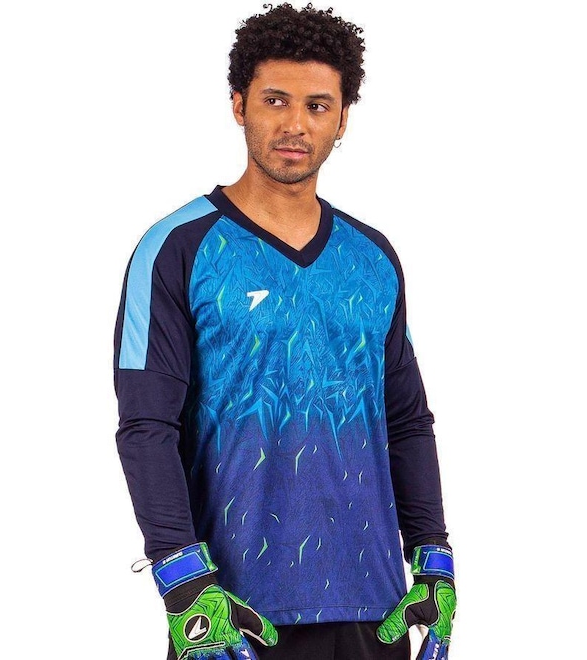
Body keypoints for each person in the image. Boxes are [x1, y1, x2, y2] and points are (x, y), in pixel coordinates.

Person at [113, 3, 456, 659]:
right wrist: (182, 582)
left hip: (377, 610)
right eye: (276, 100)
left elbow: (407, 420)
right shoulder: (177, 247)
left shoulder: (372, 258)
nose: (296, 124)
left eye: (318, 105)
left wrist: (434, 558)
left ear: (342, 119)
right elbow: (146, 426)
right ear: (239, 105)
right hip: (232, 614)